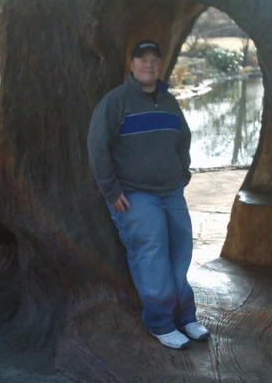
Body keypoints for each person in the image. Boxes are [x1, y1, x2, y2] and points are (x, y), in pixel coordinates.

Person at [87, 39, 210, 350]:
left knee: (180, 251)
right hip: (135, 195)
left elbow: (183, 138)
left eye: (154, 59)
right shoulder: (116, 102)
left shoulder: (168, 100)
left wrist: (182, 173)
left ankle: (186, 317)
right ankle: (161, 323)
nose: (149, 64)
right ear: (132, 65)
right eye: (142, 59)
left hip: (171, 192)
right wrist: (110, 189)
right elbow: (97, 147)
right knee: (152, 256)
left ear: (160, 65)